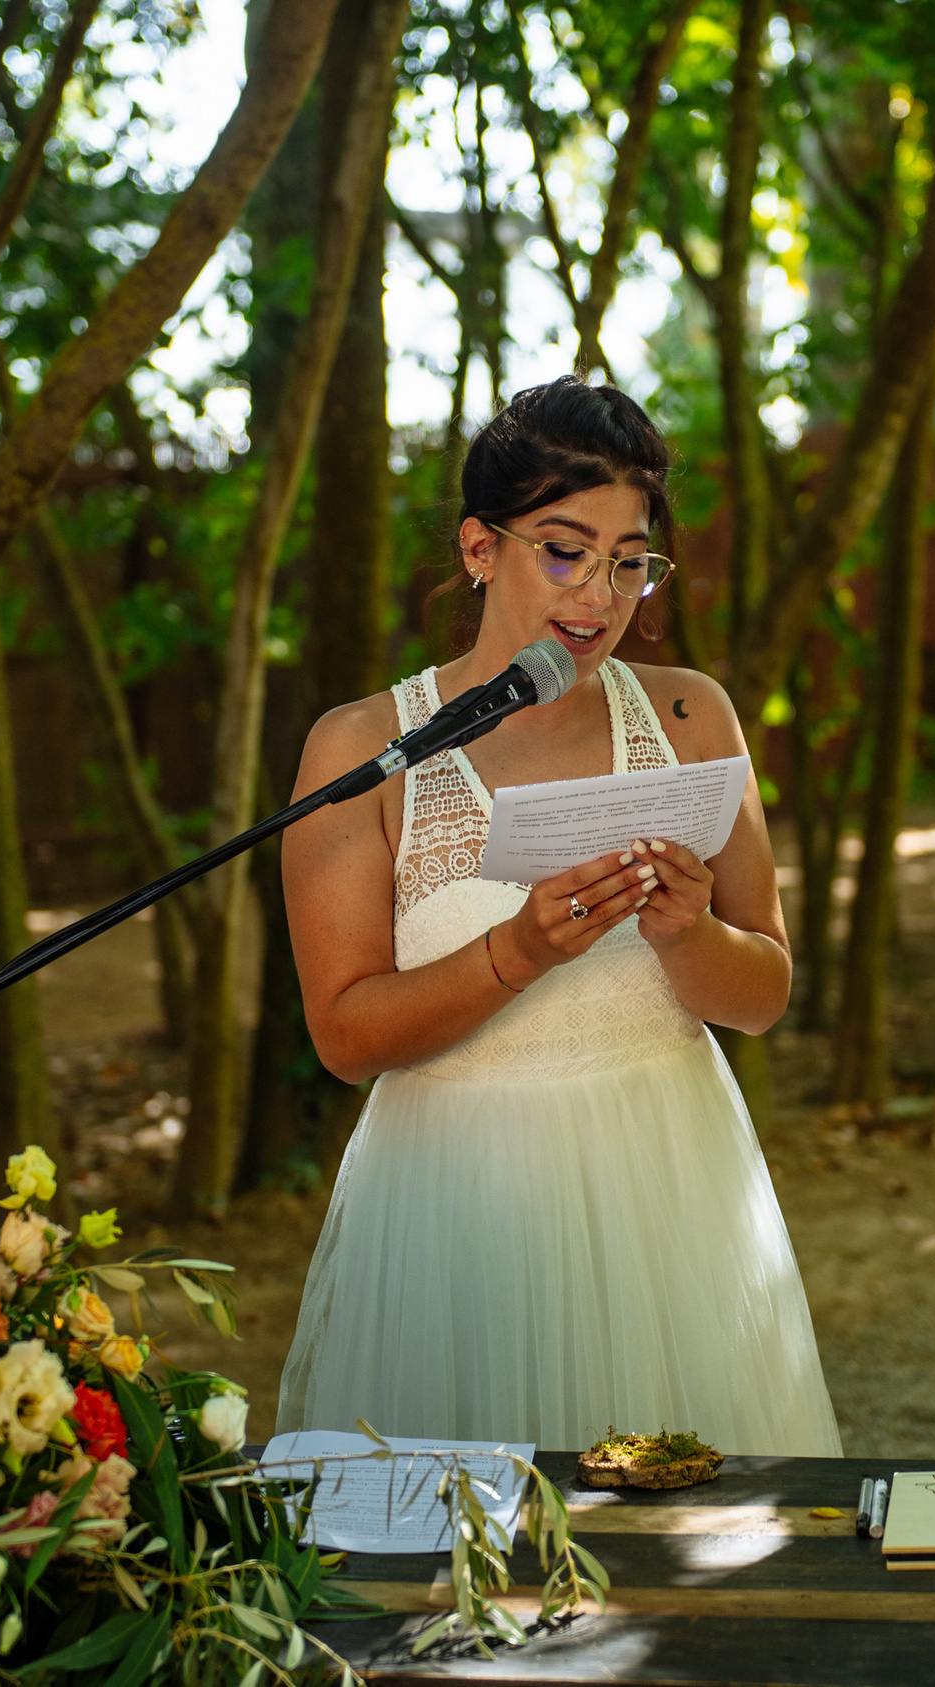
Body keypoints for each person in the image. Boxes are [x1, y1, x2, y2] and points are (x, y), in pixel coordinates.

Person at [274, 377, 840, 1455]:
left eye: (630, 559)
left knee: (685, 1549)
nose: (599, 593)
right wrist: (515, 951)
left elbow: (763, 994)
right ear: (480, 547)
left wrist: (689, 934)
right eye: (564, 548)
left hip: (667, 1184)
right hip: (453, 1201)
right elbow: (344, 1037)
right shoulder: (360, 749)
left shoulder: (688, 713)